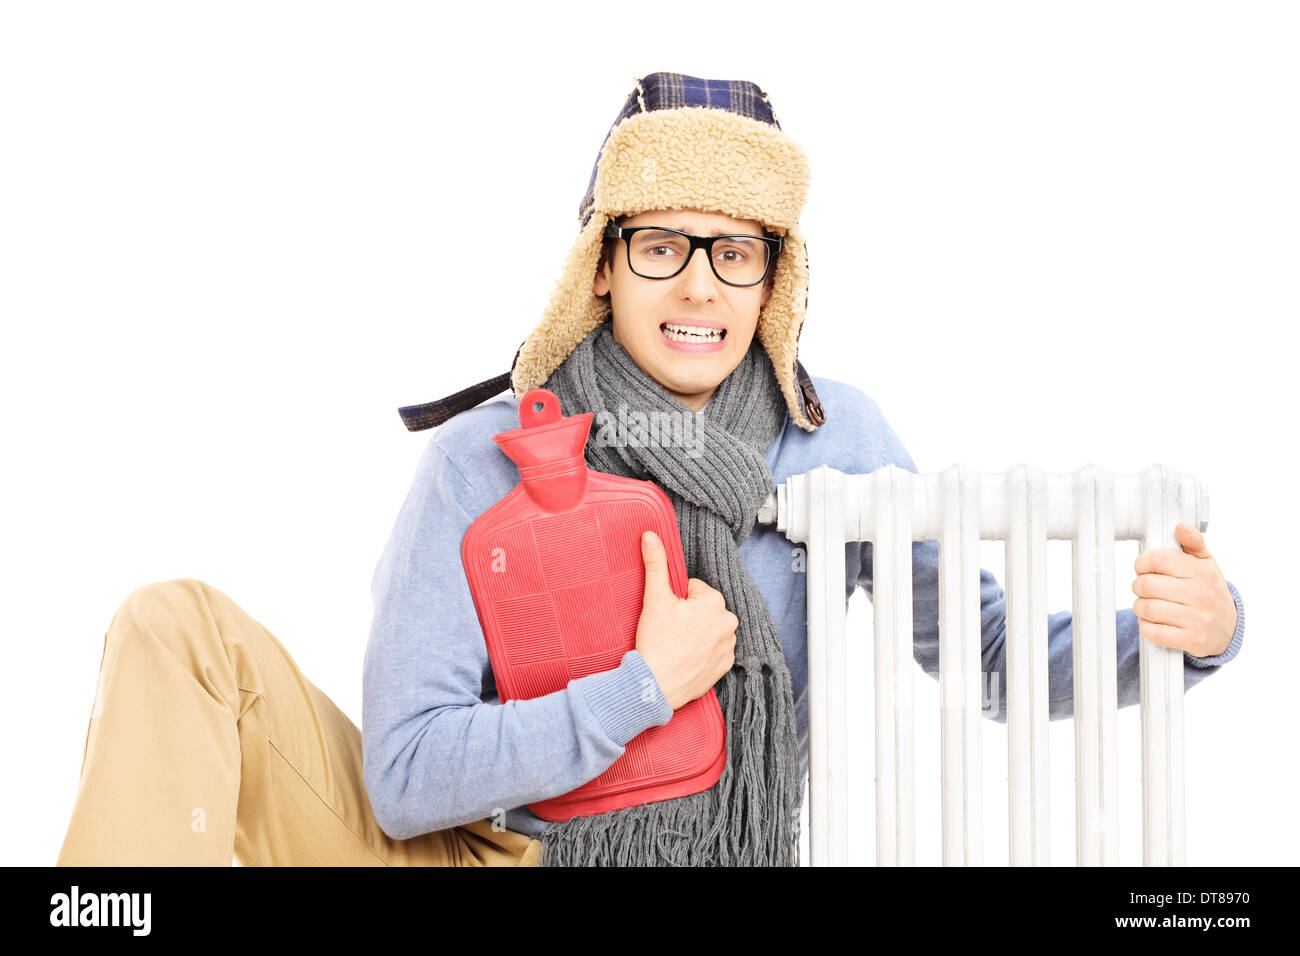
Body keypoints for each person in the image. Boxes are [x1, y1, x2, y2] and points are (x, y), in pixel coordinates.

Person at [56, 72, 1245, 867]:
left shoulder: (833, 439)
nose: (698, 286)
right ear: (603, 265)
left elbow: (991, 661)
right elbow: (407, 778)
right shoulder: (486, 456)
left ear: (774, 280)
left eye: (735, 253)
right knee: (177, 626)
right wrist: (637, 688)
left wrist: (1184, 634)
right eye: (663, 243)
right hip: (485, 855)